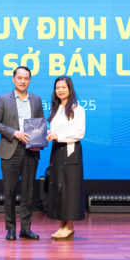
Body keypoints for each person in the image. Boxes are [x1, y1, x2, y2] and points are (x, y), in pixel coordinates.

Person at [0, 66, 44, 241]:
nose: (22, 81)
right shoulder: (3, 99)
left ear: (30, 80)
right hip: (10, 149)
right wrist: (14, 132)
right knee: (10, 192)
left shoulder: (36, 99)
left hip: (30, 151)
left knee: (28, 193)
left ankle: (26, 229)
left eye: (26, 78)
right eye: (19, 78)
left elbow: (40, 123)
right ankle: (11, 229)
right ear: (13, 79)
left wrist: (39, 142)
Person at [45, 76, 85, 239]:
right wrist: (49, 133)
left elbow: (79, 133)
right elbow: (57, 130)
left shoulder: (77, 109)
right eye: (57, 88)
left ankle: (69, 226)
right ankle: (62, 225)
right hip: (56, 150)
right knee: (58, 188)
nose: (60, 90)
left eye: (63, 87)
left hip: (70, 151)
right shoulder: (56, 109)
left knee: (70, 189)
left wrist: (58, 136)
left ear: (70, 89)